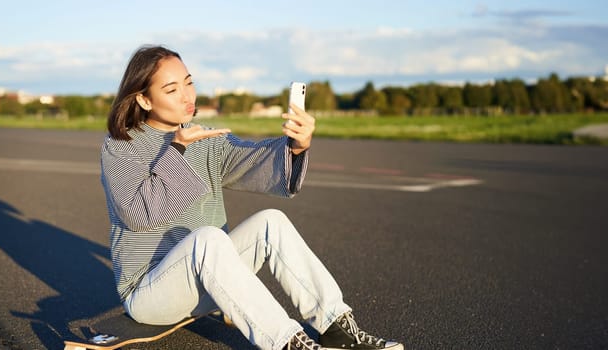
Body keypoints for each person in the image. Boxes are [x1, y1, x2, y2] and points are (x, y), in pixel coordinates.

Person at [100, 44, 404, 350]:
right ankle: (286, 342)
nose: (187, 96)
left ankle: (337, 329)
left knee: (272, 221)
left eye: (189, 83)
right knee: (207, 238)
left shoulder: (204, 138)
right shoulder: (121, 145)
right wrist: (177, 150)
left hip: (209, 282)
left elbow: (252, 159)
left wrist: (296, 147)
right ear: (143, 98)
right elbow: (138, 213)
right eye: (172, 89)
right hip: (150, 294)